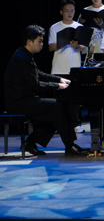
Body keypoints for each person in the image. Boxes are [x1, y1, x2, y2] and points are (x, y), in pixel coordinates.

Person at [4, 25, 87, 156]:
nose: (42, 44)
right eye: (40, 41)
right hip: (18, 102)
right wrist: (58, 85)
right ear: (29, 42)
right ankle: (69, 146)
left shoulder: (25, 54)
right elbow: (36, 85)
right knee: (58, 107)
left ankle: (31, 143)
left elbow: (39, 74)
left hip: (26, 99)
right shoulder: (21, 58)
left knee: (56, 110)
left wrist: (60, 79)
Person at [48, 0, 84, 76]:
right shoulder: (54, 27)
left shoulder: (79, 27)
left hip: (75, 66)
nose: (69, 13)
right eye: (67, 11)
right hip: (58, 68)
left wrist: (76, 46)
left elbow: (84, 48)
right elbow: (50, 47)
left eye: (72, 11)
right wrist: (64, 41)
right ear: (61, 12)